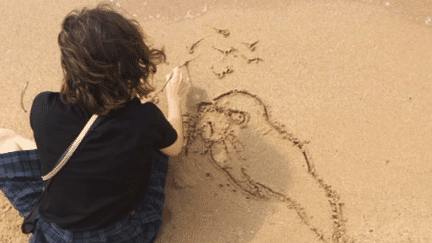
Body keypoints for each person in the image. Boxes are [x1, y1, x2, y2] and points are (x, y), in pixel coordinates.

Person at [0, 3, 189, 242]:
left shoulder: (43, 107)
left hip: (57, 233)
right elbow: (176, 147)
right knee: (157, 147)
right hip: (121, 233)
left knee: (4, 139)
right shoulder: (143, 119)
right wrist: (175, 98)